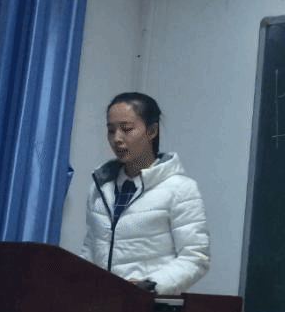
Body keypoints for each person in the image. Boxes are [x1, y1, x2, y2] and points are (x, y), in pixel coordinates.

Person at [80, 92, 210, 295]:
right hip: (101, 304)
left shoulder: (180, 188)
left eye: (126, 129)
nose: (117, 139)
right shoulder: (100, 188)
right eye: (111, 130)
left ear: (152, 131)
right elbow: (90, 251)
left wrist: (149, 286)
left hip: (149, 306)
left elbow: (195, 258)